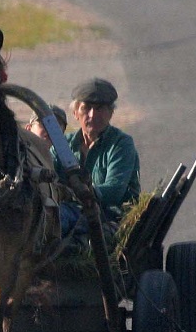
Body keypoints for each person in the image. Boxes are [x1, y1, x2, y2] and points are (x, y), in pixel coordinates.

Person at [57, 78, 140, 240]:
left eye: (100, 108)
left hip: (111, 218)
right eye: (86, 108)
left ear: (111, 113)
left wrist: (75, 194)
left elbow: (114, 191)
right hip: (72, 212)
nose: (92, 115)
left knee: (61, 222)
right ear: (75, 113)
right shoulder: (63, 145)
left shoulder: (121, 144)